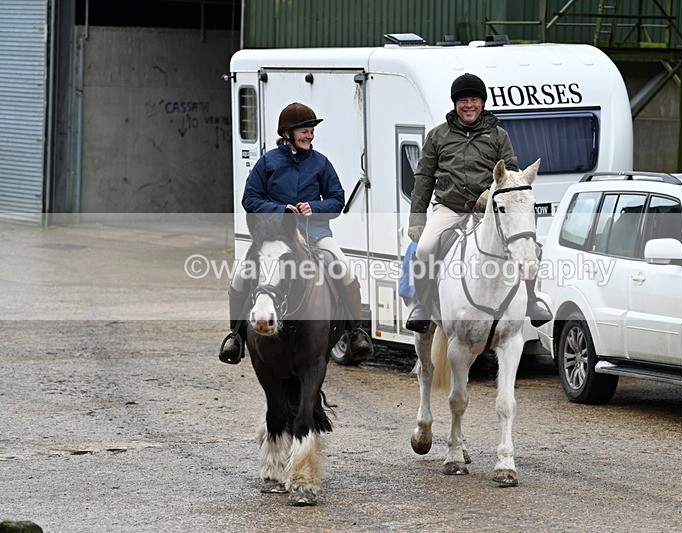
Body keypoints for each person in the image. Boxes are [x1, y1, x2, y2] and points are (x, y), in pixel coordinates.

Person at [218, 102, 373, 364]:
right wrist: (281, 210)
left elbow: (337, 200)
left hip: (315, 235)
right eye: (305, 131)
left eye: (312, 131)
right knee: (240, 276)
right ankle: (235, 336)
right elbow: (250, 199)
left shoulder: (321, 163)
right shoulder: (267, 162)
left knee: (344, 269)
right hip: (274, 238)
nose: (310, 135)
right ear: (288, 133)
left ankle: (356, 331)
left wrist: (315, 206)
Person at [405, 73, 551, 333]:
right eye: (463, 100)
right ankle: (423, 305)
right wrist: (417, 218)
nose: (468, 105)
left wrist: (489, 196)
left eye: (474, 99)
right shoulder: (437, 136)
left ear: (482, 103)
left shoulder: (498, 135)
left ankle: (531, 300)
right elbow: (424, 178)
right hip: (450, 207)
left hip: (488, 210)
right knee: (425, 247)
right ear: (455, 104)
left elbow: (512, 174)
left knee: (529, 247)